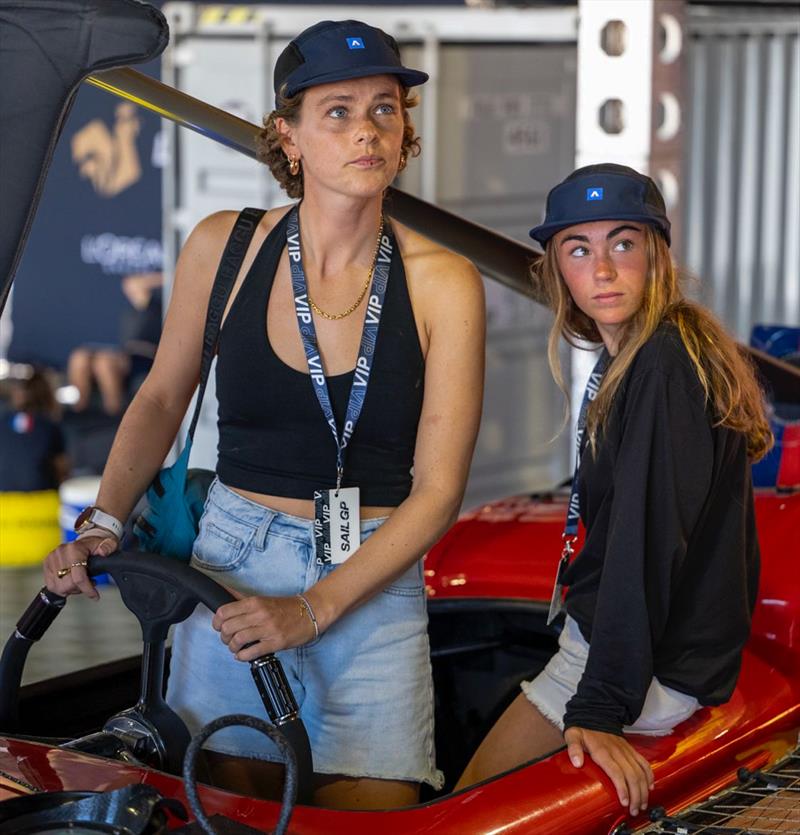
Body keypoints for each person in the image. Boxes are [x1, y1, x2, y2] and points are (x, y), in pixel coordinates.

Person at [43, 19, 485, 811]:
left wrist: (315, 606)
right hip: (233, 567)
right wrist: (103, 520)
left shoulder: (444, 281)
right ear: (288, 135)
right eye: (338, 112)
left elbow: (440, 489)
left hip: (373, 583)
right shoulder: (226, 247)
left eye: (385, 109)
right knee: (228, 812)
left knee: (368, 819)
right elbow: (159, 398)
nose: (367, 132)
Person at [455, 164, 771, 819]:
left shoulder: (661, 362)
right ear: (557, 269)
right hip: (647, 652)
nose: (601, 268)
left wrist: (600, 704)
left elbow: (643, 542)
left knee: (464, 806)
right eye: (579, 249)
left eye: (622, 243)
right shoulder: (647, 349)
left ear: (657, 253)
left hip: (635, 663)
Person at [0, 368, 68, 491]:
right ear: (49, 396)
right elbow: (62, 471)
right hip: (43, 503)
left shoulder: (2, 421)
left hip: (3, 505)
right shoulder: (49, 426)